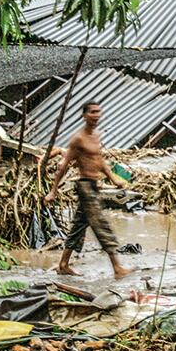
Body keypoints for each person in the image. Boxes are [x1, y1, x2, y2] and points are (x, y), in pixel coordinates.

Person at [44, 101, 133, 279]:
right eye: (92, 112)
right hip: (85, 186)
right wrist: (53, 191)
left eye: (98, 112)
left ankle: (63, 264)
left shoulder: (96, 136)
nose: (96, 115)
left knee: (78, 226)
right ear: (84, 115)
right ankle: (117, 268)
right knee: (101, 225)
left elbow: (99, 160)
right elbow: (64, 165)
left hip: (94, 185)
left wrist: (113, 178)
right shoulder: (78, 138)